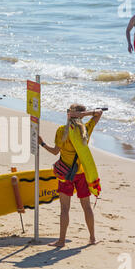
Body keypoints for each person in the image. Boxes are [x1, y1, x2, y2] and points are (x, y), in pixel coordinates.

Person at [38, 104, 103, 247]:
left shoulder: (62, 131)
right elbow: (98, 114)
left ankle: (61, 241)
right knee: (86, 207)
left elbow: (55, 151)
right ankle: (92, 238)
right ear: (81, 115)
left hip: (65, 175)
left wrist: (42, 143)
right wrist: (84, 115)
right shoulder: (84, 130)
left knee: (64, 208)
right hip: (81, 175)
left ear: (69, 115)